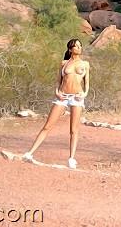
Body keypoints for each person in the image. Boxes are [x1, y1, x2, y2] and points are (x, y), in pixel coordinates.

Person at [23, 38, 90, 169]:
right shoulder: (64, 63)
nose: (79, 48)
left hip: (77, 97)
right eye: (76, 46)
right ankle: (30, 153)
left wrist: (85, 93)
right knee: (48, 126)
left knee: (73, 129)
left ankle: (71, 158)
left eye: (80, 46)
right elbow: (58, 82)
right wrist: (57, 92)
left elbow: (87, 83)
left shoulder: (85, 64)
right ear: (70, 49)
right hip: (63, 96)